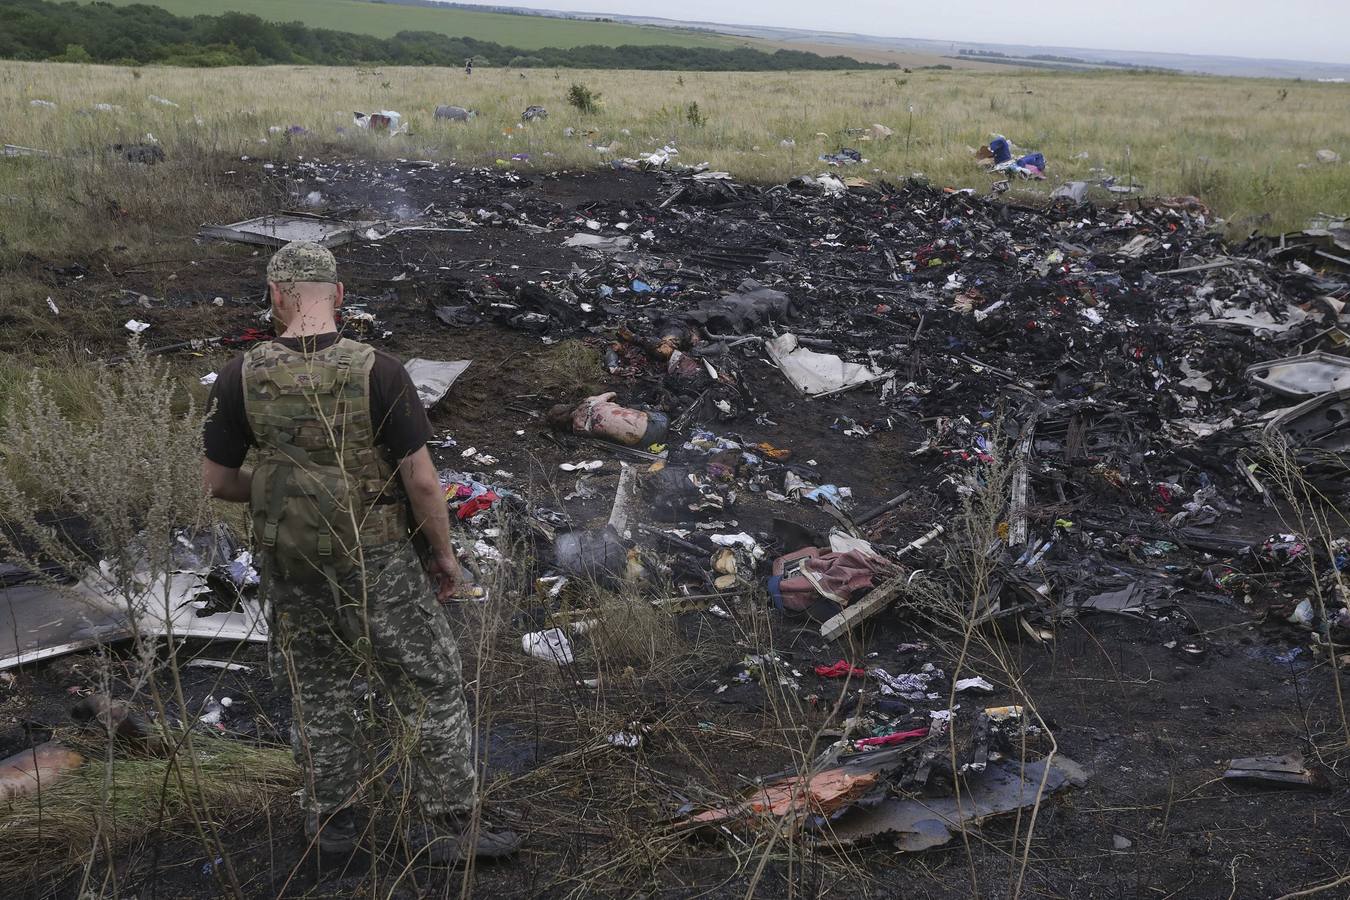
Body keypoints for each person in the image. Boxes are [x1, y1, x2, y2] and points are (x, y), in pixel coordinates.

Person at [201, 240, 518, 863]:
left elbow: (218, 482)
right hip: (376, 560)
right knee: (428, 681)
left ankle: (333, 827)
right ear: (338, 296)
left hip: (290, 562)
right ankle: (450, 825)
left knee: (318, 687)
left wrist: (285, 491)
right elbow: (423, 481)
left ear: (275, 298)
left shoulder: (242, 374)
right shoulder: (380, 370)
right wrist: (444, 556)